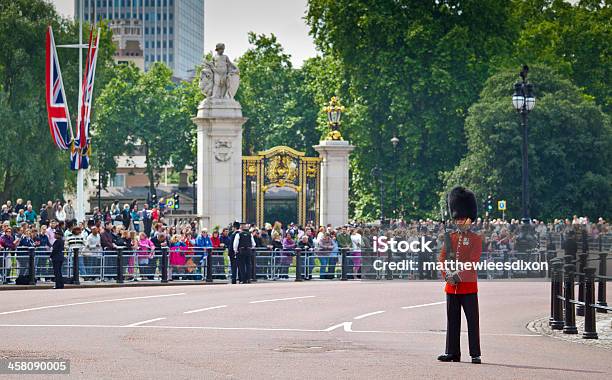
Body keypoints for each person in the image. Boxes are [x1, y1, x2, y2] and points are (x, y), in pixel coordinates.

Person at [437, 186, 482, 364]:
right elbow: (442, 258)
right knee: (452, 321)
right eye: (458, 219)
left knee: (472, 321)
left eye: (464, 219)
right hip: (451, 287)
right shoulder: (451, 237)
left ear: (470, 220)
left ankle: (475, 353)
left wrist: (457, 274)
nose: (461, 222)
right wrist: (446, 273)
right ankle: (452, 352)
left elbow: (473, 261)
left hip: (468, 286)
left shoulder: (476, 239)